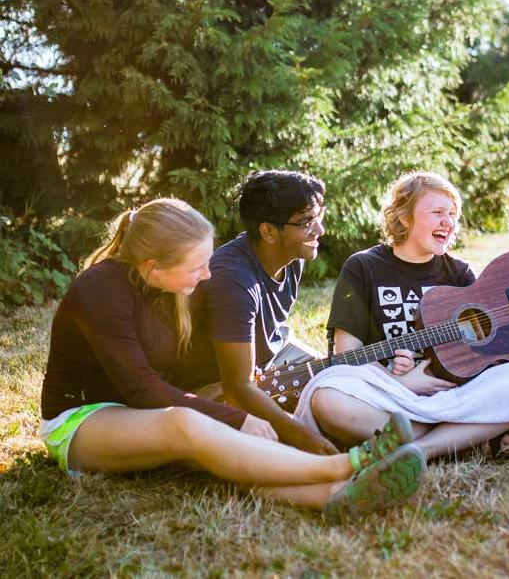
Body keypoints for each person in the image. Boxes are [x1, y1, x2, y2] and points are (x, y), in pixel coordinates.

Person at [39, 198, 425, 518]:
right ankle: (345, 465)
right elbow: (142, 389)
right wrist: (236, 417)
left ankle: (334, 496)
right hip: (83, 420)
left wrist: (236, 397)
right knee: (188, 425)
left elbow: (185, 367)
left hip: (144, 410)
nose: (207, 275)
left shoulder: (168, 288)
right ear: (153, 267)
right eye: (196, 267)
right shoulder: (99, 290)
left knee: (220, 442)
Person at [293, 172, 509, 460]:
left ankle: (421, 449)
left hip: (455, 397)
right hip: (388, 396)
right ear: (405, 218)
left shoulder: (459, 273)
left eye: (453, 214)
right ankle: (465, 437)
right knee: (327, 398)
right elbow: (347, 354)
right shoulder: (363, 267)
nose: (449, 222)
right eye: (438, 212)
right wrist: (401, 382)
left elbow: (488, 355)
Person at [189, 170, 337, 455]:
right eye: (307, 222)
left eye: (318, 217)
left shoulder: (293, 255)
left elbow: (274, 336)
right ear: (269, 231)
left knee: (339, 377)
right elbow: (237, 388)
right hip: (212, 384)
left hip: (269, 361)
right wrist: (305, 438)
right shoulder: (233, 280)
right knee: (262, 437)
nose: (319, 230)